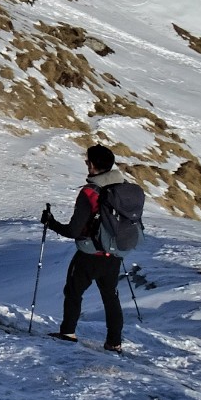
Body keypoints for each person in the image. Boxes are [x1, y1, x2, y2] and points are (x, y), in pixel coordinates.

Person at [41, 144, 128, 351]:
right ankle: (114, 343)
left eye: (87, 160)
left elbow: (73, 231)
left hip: (89, 254)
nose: (86, 163)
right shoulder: (123, 187)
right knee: (110, 297)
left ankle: (68, 333)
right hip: (114, 253)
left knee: (73, 292)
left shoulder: (90, 192)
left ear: (93, 166)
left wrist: (50, 223)